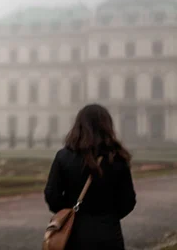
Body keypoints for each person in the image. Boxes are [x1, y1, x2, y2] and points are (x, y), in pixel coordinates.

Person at [44, 104, 136, 250]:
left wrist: (68, 212)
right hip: (109, 235)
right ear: (107, 127)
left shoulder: (64, 156)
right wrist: (109, 217)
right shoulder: (118, 158)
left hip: (73, 234)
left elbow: (51, 195)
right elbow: (128, 200)